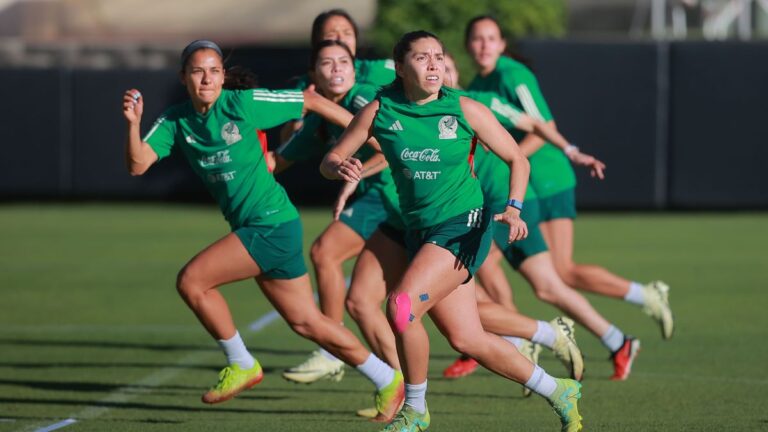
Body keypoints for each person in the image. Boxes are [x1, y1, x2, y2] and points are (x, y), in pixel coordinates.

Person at [121, 40, 405, 420]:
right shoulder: (176, 120)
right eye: (198, 71)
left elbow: (312, 102)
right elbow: (138, 165)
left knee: (192, 281)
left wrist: (366, 136)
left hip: (269, 222)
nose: (207, 78)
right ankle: (388, 379)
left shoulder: (241, 103)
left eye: (214, 71)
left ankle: (241, 363)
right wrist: (133, 124)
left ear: (223, 76)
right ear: (183, 77)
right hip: (269, 225)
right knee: (308, 322)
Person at [322, 31, 582, 432]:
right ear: (400, 66)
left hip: (465, 225)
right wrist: (338, 166)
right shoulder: (381, 110)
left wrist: (513, 208)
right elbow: (333, 157)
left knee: (401, 306)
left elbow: (517, 159)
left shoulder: (464, 108)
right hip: (420, 232)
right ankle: (558, 389)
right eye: (422, 57)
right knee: (467, 339)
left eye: (438, 57)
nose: (433, 65)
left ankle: (415, 409)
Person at [465, 15, 675, 378]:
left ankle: (639, 302)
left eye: (491, 38)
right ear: (468, 45)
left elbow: (545, 129)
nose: (484, 45)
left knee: (551, 274)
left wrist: (515, 161)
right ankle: (528, 339)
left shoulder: (512, 75)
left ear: (502, 44)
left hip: (546, 179)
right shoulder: (476, 83)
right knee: (540, 277)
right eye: (477, 39)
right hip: (520, 182)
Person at [268, 39, 399, 385]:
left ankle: (332, 348)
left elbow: (390, 150)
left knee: (325, 253)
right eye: (327, 63)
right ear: (314, 75)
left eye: (344, 61)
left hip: (396, 198)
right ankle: (398, 386)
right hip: (382, 205)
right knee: (362, 303)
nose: (337, 68)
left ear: (355, 69)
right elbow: (278, 161)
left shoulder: (362, 99)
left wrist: (354, 179)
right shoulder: (321, 117)